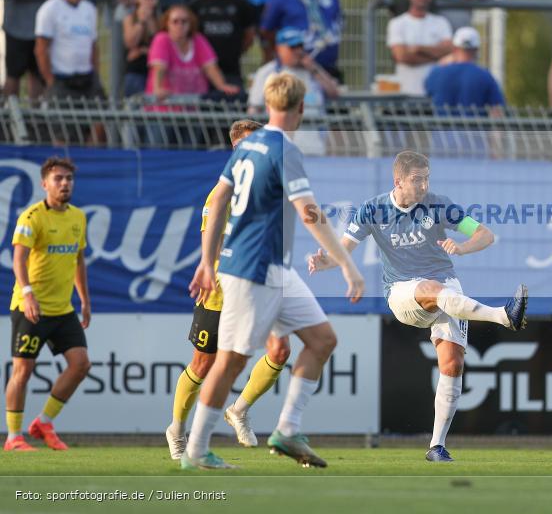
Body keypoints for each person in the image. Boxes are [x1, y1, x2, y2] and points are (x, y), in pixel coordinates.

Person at [185, 73, 364, 470]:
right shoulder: (284, 149)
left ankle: (286, 429)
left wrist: (204, 260)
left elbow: (216, 205)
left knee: (322, 340)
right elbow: (309, 213)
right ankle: (196, 451)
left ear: (266, 106)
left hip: (274, 269)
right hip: (252, 268)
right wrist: (348, 265)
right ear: (302, 108)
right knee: (229, 361)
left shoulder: (246, 149)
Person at [308, 150, 528, 463]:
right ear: (397, 181)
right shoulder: (373, 210)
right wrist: (324, 260)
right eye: (416, 180)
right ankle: (504, 316)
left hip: (446, 286)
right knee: (432, 288)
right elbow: (343, 252)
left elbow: (485, 234)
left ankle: (436, 447)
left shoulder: (439, 204)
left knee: (452, 364)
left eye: (426, 178)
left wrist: (462, 248)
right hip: (401, 291)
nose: (423, 185)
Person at [166, 119, 291, 460]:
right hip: (224, 288)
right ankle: (177, 430)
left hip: (261, 284)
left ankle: (239, 409)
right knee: (203, 364)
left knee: (280, 350)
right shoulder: (220, 195)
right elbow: (216, 243)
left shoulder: (269, 192)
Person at [4, 157, 90, 452]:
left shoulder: (78, 216)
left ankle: (43, 422)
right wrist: (27, 294)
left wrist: (85, 301)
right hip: (32, 308)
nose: (65, 183)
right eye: (58, 179)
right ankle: (14, 437)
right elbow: (18, 259)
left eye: (68, 178)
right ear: (44, 184)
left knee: (80, 365)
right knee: (23, 371)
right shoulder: (31, 217)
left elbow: (79, 260)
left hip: (63, 309)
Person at [260, 0, 342, 80]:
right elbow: (267, 29)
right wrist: (287, 50)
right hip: (296, 69)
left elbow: (337, 22)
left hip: (326, 66)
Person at [35, 0, 105, 102]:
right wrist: (50, 80)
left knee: (100, 118)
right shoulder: (50, 8)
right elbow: (41, 49)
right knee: (63, 122)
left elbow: (93, 46)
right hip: (62, 78)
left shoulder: (89, 9)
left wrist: (96, 74)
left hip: (87, 76)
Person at [146, 5, 240, 101]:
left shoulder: (198, 40)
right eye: (175, 21)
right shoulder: (161, 39)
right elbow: (159, 67)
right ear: (167, 24)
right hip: (166, 106)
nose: (180, 25)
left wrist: (222, 85)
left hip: (194, 104)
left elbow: (210, 67)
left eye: (184, 21)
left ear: (190, 24)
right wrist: (157, 88)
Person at [188, 0, 257, 88]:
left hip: (231, 72)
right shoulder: (193, 6)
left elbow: (249, 36)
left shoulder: (240, 4)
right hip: (201, 73)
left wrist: (235, 51)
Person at [247, 27, 339, 117]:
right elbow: (254, 108)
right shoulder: (268, 72)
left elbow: (334, 93)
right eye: (293, 47)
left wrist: (314, 69)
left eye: (300, 46)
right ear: (279, 48)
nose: (298, 51)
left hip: (315, 129)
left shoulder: (312, 70)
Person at [386, 0, 453, 96]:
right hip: (405, 93)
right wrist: (435, 57)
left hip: (434, 94)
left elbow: (449, 50)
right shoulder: (397, 23)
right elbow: (402, 56)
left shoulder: (441, 22)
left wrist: (418, 49)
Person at [425, 27, 505, 118]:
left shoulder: (436, 73)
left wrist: (441, 63)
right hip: (474, 131)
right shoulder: (485, 76)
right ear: (476, 49)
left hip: (442, 131)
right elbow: (497, 111)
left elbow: (428, 91)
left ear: (454, 48)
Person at [122, 0, 160, 97]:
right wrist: (142, 21)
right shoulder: (130, 18)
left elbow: (162, 48)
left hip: (157, 73)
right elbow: (131, 43)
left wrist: (143, 51)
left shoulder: (162, 19)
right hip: (137, 72)